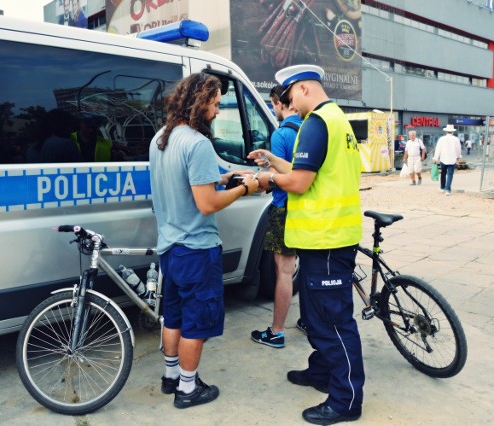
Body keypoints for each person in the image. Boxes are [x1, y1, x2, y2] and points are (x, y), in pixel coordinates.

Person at [249, 64, 364, 425]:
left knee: (332, 321)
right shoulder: (336, 119)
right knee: (315, 317)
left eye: (288, 98)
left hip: (326, 238)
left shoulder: (316, 122)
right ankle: (322, 372)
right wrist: (272, 160)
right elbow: (305, 170)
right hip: (324, 238)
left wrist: (265, 178)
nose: (288, 105)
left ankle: (346, 400)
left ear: (301, 89)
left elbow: (298, 183)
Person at [149, 73, 260, 409]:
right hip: (197, 250)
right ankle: (187, 389)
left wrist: (224, 177)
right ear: (199, 102)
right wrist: (245, 188)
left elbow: (192, 182)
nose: (217, 111)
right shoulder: (197, 143)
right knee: (196, 325)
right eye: (214, 103)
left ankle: (171, 377)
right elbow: (207, 203)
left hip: (170, 247)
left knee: (174, 317)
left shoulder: (161, 139)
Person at [250, 85, 303, 349]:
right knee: (309, 266)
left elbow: (279, 181)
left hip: (284, 209)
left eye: (273, 104)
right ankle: (308, 320)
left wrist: (263, 178)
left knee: (284, 270)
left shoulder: (281, 134)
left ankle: (277, 331)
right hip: (307, 209)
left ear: (279, 103)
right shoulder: (308, 129)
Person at [433, 124, 462, 196]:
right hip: (452, 159)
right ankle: (447, 190)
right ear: (453, 132)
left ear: (446, 131)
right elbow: (458, 149)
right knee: (450, 174)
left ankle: (442, 187)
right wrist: (458, 157)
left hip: (443, 158)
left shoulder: (441, 139)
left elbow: (438, 149)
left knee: (443, 173)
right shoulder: (456, 139)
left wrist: (435, 158)